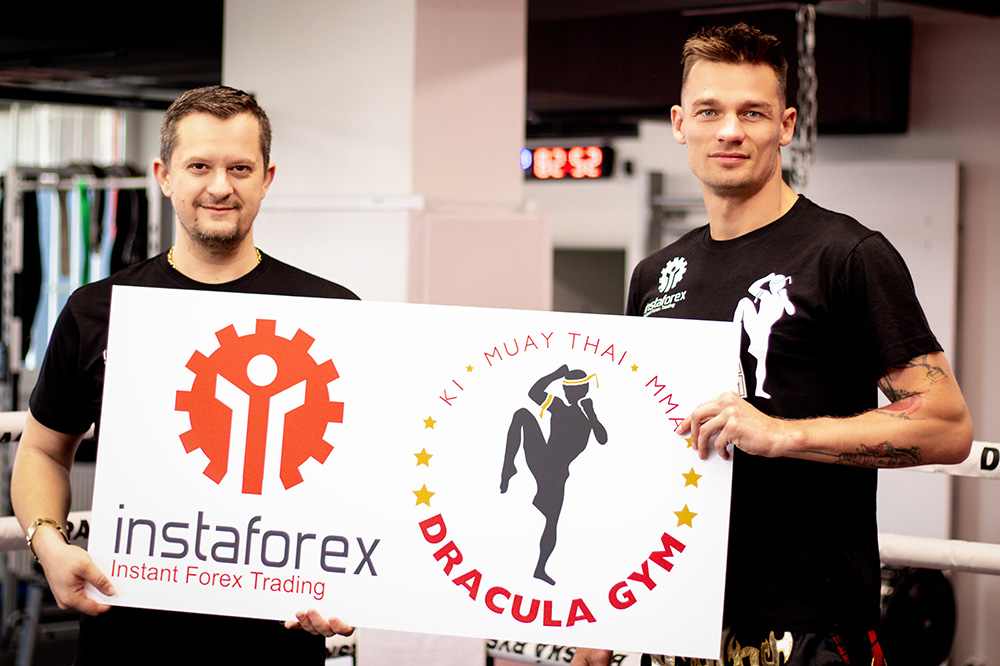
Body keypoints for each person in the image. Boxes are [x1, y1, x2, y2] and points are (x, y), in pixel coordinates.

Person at [570, 23, 972, 666]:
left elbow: (946, 426)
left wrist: (782, 435)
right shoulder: (655, 274)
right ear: (679, 124)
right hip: (677, 617)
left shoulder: (847, 256)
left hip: (810, 627)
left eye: (752, 112)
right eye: (709, 111)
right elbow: (644, 454)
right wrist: (611, 608)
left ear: (785, 126)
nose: (729, 130)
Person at [11, 85, 356, 665]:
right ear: (164, 176)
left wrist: (345, 583)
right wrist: (48, 543)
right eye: (199, 166)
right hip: (126, 636)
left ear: (267, 178)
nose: (220, 186)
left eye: (240, 168)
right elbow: (44, 451)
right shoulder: (98, 310)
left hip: (277, 641)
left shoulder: (333, 315)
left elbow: (358, 482)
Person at [501, 365, 608, 585]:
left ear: (582, 390)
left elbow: (603, 438)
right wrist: (557, 374)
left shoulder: (584, 416)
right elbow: (533, 393)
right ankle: (508, 467)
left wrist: (592, 414)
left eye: (569, 389)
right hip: (544, 460)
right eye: (565, 389)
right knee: (521, 414)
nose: (566, 393)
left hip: (556, 472)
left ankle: (540, 569)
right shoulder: (560, 407)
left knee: (552, 522)